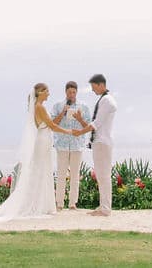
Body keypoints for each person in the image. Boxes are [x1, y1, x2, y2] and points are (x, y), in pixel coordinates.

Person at [0, 83, 73, 223]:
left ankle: (42, 204)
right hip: (42, 141)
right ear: (40, 93)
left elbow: (50, 123)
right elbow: (52, 126)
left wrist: (63, 115)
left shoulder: (37, 108)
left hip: (44, 140)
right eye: (47, 91)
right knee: (39, 170)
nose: (49, 93)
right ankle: (36, 205)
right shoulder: (40, 107)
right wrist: (69, 132)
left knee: (42, 170)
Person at [73, 74, 118, 217]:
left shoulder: (107, 100)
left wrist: (80, 132)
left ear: (100, 84)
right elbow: (96, 124)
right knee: (101, 175)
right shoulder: (105, 99)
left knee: (103, 175)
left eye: (93, 87)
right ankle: (103, 206)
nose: (93, 91)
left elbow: (96, 124)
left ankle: (105, 208)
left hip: (102, 142)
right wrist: (80, 121)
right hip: (100, 141)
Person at [51, 80, 91, 210]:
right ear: (65, 92)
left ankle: (73, 203)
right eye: (69, 92)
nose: (71, 95)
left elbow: (89, 126)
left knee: (75, 174)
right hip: (61, 144)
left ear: (77, 92)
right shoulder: (57, 106)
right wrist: (63, 112)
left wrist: (79, 119)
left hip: (77, 145)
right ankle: (59, 203)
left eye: (74, 92)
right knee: (61, 174)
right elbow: (52, 124)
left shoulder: (84, 107)